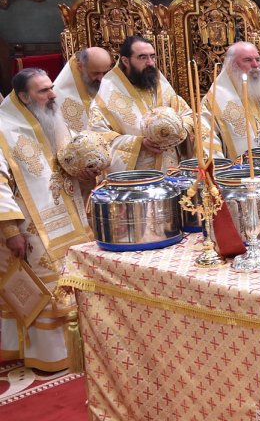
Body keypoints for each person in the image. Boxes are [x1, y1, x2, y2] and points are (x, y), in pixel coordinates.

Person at [0, 69, 93, 373]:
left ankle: (83, 346)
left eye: (52, 87)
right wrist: (11, 229)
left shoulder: (52, 116)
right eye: (43, 91)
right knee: (45, 284)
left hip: (70, 214)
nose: (52, 95)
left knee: (73, 277)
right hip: (32, 225)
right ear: (24, 96)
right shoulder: (3, 129)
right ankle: (50, 354)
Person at [89, 35, 205, 172]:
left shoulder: (160, 85)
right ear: (126, 61)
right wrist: (139, 143)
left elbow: (188, 115)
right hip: (137, 179)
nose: (150, 63)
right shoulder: (108, 93)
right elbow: (98, 137)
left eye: (153, 57)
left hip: (172, 172)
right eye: (142, 57)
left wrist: (179, 130)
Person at [201, 42, 260, 160]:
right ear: (232, 65)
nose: (255, 65)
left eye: (257, 59)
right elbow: (207, 142)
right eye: (247, 60)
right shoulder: (215, 100)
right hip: (239, 174)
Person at [53, 46, 111, 134]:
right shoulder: (59, 95)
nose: (101, 78)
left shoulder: (107, 82)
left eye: (105, 73)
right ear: (80, 66)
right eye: (96, 73)